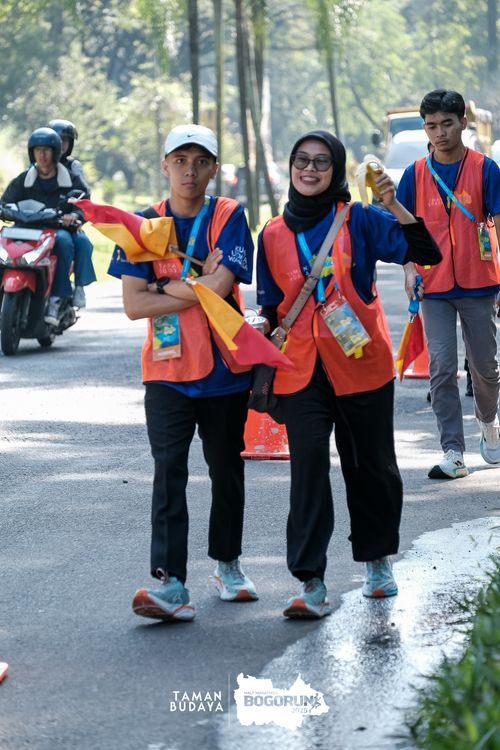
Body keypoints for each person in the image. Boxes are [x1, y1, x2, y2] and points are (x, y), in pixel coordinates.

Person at [256, 129, 441, 618]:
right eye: (301, 160)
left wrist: (392, 202)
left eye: (321, 161)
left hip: (362, 365)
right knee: (308, 470)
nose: (310, 169)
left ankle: (377, 561)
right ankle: (311, 581)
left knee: (371, 465)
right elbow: (271, 309)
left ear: (336, 170)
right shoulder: (271, 233)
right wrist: (256, 332)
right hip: (300, 370)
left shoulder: (358, 218)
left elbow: (426, 251)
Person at [108, 124, 257, 622]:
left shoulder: (229, 215)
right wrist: (199, 283)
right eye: (179, 160)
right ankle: (170, 583)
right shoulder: (144, 225)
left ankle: (228, 565)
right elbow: (133, 305)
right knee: (168, 472)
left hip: (224, 370)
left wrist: (163, 286)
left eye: (199, 161)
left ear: (213, 168)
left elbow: (224, 282)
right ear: (165, 165)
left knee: (226, 470)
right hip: (166, 371)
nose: (189, 171)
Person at [397, 90, 500, 479]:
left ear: (463, 123)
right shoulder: (414, 175)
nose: (439, 133)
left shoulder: (485, 169)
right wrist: (409, 271)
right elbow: (404, 231)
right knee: (441, 367)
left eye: (446, 124)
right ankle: (453, 451)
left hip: (479, 282)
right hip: (433, 286)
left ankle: (489, 422)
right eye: (431, 126)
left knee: (485, 367)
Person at [1, 127, 89, 325]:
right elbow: (6, 200)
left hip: (54, 230)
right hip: (25, 229)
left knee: (65, 241)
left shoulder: (70, 178)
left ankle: (57, 298)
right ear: (31, 153)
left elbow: (83, 201)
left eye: (47, 150)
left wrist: (74, 215)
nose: (42, 155)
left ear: (56, 152)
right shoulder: (24, 179)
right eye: (38, 150)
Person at [47, 119, 96, 309]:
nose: (61, 144)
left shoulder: (73, 167)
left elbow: (84, 196)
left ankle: (78, 287)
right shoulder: (35, 166)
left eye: (65, 140)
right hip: (39, 223)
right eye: (57, 139)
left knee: (82, 242)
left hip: (65, 224)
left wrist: (76, 216)